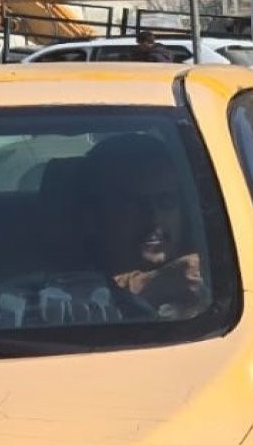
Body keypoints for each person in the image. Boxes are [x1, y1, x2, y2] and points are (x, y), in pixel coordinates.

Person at [81, 133, 204, 318]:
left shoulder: (221, 268)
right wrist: (152, 285)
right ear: (93, 216)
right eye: (132, 204)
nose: (154, 218)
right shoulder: (65, 286)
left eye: (166, 202)